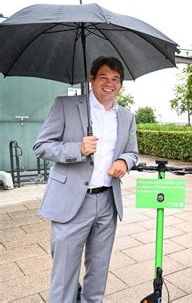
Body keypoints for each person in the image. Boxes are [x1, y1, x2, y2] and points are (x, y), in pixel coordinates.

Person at [33, 56, 138, 302]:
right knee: (64, 275)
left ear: (120, 84)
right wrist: (76, 149)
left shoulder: (126, 117)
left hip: (107, 203)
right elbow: (41, 146)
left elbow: (132, 152)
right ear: (92, 79)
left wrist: (124, 162)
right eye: (103, 77)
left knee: (99, 271)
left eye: (115, 79)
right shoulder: (65, 106)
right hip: (71, 203)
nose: (109, 83)